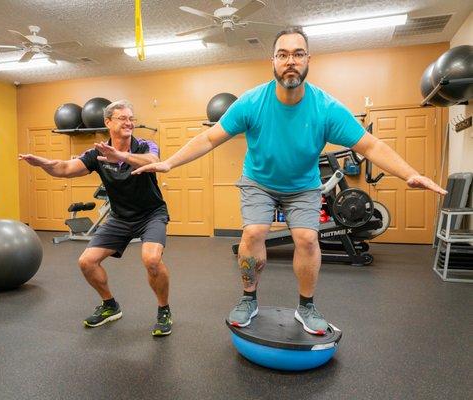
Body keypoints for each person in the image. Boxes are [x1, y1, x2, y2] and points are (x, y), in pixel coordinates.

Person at [132, 27, 446, 335]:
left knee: (308, 239)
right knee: (254, 232)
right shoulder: (252, 102)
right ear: (273, 62)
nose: (290, 61)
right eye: (282, 55)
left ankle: (307, 306)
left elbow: (371, 145)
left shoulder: (326, 108)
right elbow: (210, 138)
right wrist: (169, 162)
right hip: (258, 181)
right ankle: (248, 298)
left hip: (303, 186)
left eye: (297, 54)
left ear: (308, 59)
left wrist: (409, 173)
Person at [19, 100, 173, 336]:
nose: (129, 122)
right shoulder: (97, 153)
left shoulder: (145, 145)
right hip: (120, 217)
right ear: (108, 122)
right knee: (87, 262)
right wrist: (44, 165)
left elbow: (154, 162)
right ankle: (110, 305)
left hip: (151, 214)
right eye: (122, 118)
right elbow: (65, 169)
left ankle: (164, 310)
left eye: (131, 118)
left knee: (151, 260)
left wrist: (120, 155)